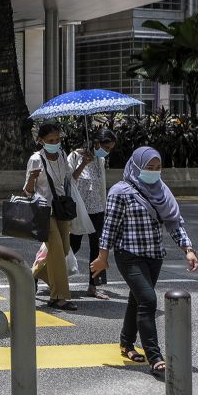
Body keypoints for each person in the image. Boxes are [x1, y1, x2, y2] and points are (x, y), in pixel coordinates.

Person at [91, 147, 198, 377]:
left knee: (137, 299)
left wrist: (187, 249)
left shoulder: (162, 190)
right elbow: (109, 227)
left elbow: (174, 222)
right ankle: (155, 356)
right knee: (148, 300)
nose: (153, 172)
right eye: (149, 168)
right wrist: (102, 257)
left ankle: (126, 343)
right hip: (129, 254)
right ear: (137, 166)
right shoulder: (120, 192)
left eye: (157, 167)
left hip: (154, 255)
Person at [23, 122, 79, 311]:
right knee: (56, 249)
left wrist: (85, 162)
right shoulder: (36, 159)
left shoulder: (62, 155)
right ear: (41, 141)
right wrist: (32, 178)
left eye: (58, 139)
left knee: (63, 249)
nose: (55, 143)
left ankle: (35, 273)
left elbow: (68, 180)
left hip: (61, 208)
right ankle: (60, 296)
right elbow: (28, 192)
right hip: (44, 209)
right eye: (51, 140)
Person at [68, 129, 117, 300]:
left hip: (97, 209)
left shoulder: (100, 160)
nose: (107, 151)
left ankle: (93, 286)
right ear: (96, 143)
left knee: (98, 248)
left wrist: (105, 208)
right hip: (78, 209)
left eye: (111, 148)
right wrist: (83, 164)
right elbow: (69, 180)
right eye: (106, 147)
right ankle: (54, 278)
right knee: (73, 245)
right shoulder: (75, 156)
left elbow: (100, 187)